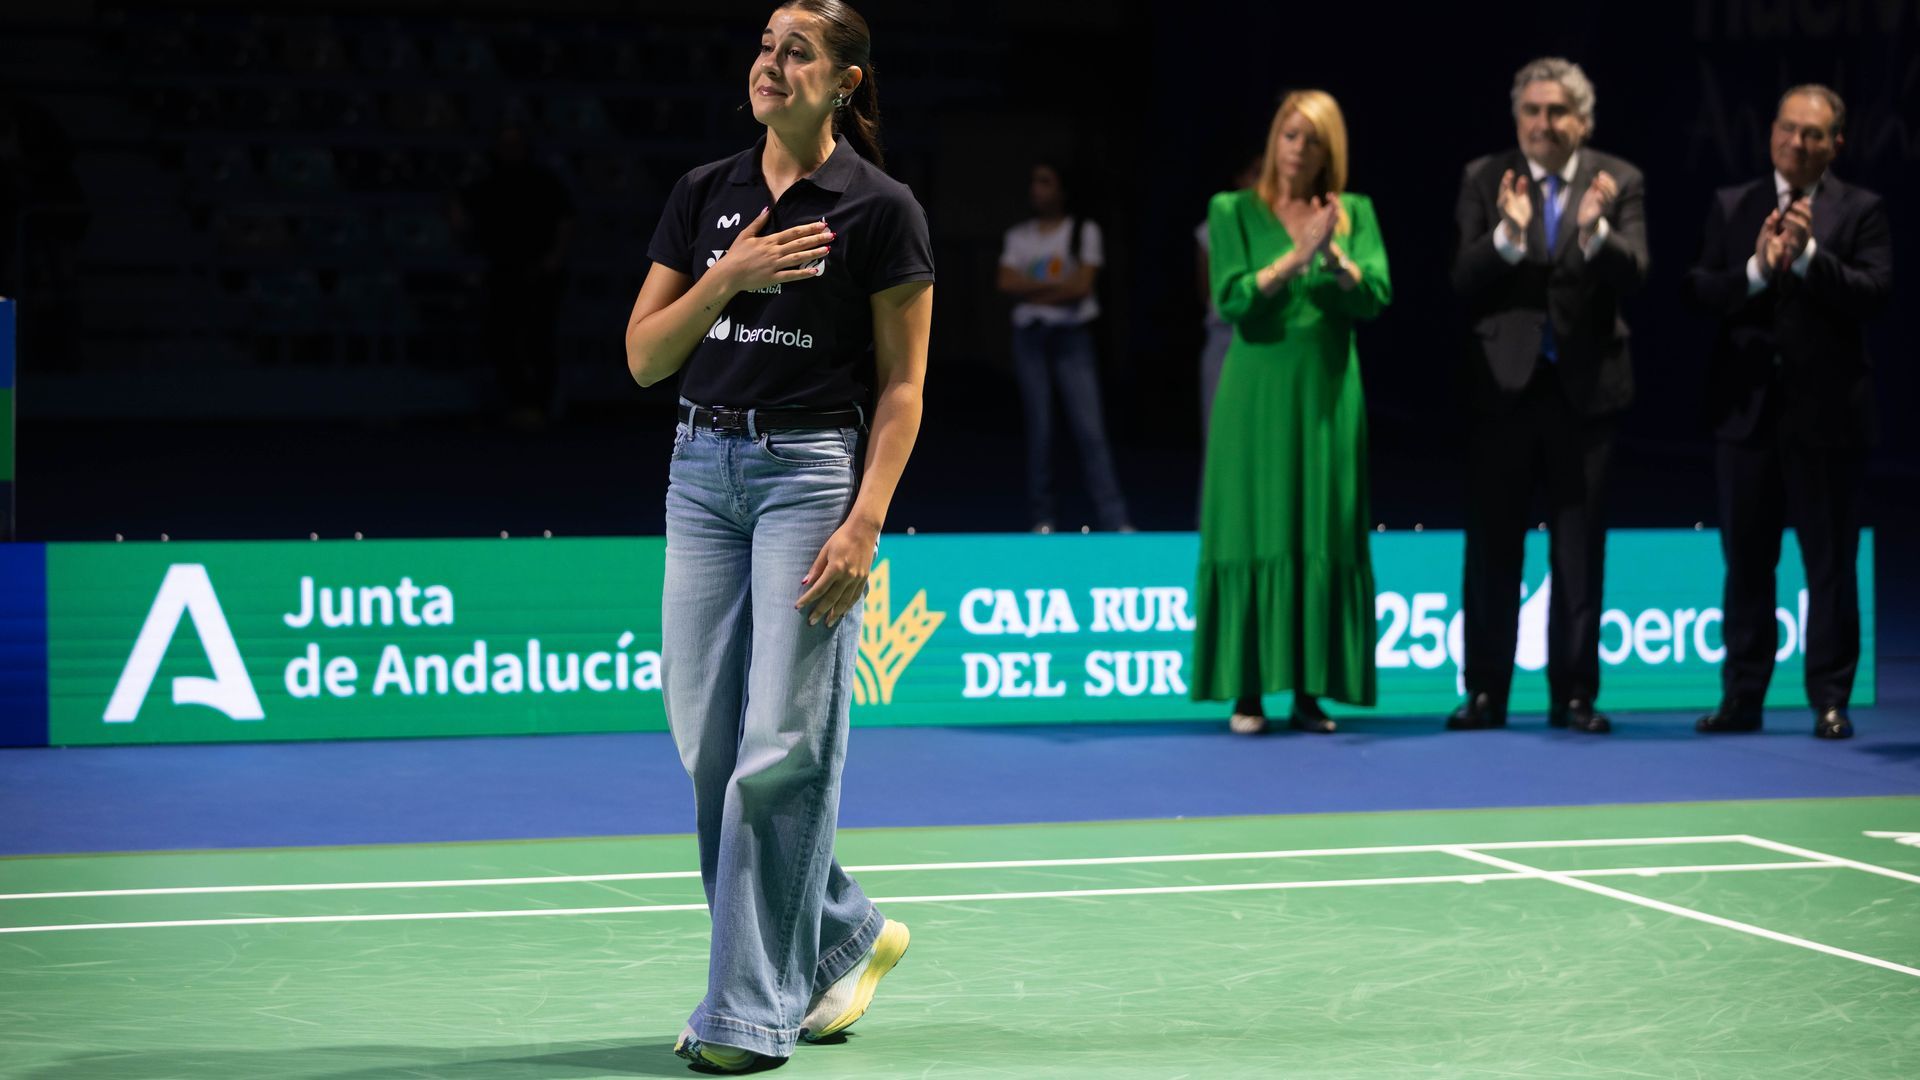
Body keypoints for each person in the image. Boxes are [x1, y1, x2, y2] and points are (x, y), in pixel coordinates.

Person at [622, 1, 932, 1070]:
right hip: (700, 471)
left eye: (797, 51)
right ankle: (841, 932)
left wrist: (866, 519)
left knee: (781, 749)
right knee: (709, 744)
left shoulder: (881, 208)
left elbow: (903, 387)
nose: (771, 63)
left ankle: (747, 1015)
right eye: (764, 46)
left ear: (845, 81)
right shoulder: (704, 194)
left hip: (809, 476)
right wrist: (729, 276)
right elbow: (645, 358)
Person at [1683, 85, 1891, 740]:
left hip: (1829, 420)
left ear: (1836, 145)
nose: (1797, 142)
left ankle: (1830, 699)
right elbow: (1699, 290)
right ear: (1771, 131)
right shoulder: (1733, 203)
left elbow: (1874, 293)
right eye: (1788, 128)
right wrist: (1755, 269)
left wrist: (1807, 259)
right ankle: (1742, 697)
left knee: (1830, 566)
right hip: (1746, 416)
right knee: (1747, 563)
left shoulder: (1861, 210)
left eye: (1813, 134)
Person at [1446, 58, 1647, 736]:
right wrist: (1506, 235)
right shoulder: (1485, 177)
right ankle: (1484, 693)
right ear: (1517, 117)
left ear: (1582, 120)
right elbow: (1463, 277)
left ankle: (1575, 696)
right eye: (1531, 110)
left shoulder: (1618, 180)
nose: (1543, 123)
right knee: (1492, 550)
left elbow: (1636, 272)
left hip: (1586, 395)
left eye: (1557, 111)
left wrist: (1594, 232)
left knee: (1579, 552)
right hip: (1502, 392)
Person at [1191, 90, 1391, 736]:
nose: (1298, 149)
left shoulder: (1354, 213)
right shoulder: (1232, 210)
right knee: (1252, 525)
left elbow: (1375, 297)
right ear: (1274, 139)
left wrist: (1333, 258)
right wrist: (1294, 258)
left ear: (1332, 151)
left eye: (1313, 139)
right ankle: (1247, 691)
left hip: (1328, 392)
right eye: (1290, 134)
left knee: (1321, 525)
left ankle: (1310, 692)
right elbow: (1231, 300)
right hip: (1255, 394)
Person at [997, 161, 1132, 533]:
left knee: (1090, 429)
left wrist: (1033, 291)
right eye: (1034, 182)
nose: (1036, 189)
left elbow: (1081, 287)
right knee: (1040, 430)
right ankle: (1043, 518)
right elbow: (1006, 283)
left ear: (1063, 190)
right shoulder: (1019, 236)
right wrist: (1060, 289)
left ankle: (1115, 518)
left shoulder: (1083, 231)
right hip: (1031, 338)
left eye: (1045, 182)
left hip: (1072, 338)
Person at [452, 123, 575, 429]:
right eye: (505, 144)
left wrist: (554, 259)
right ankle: (517, 404)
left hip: (540, 274)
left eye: (516, 144)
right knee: (501, 338)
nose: (510, 150)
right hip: (502, 273)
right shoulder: (487, 182)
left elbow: (566, 220)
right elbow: (460, 211)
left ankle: (540, 406)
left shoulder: (543, 181)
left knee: (539, 339)